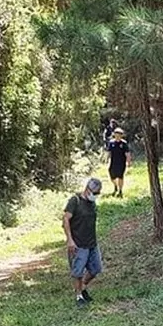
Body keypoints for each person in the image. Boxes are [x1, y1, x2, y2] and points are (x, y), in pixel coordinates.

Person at [63, 178, 103, 307]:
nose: (95, 196)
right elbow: (66, 219)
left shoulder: (92, 203)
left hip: (92, 242)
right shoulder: (75, 201)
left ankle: (83, 287)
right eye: (94, 193)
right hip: (78, 243)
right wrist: (70, 239)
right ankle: (79, 295)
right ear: (87, 189)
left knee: (96, 268)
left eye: (98, 194)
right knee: (78, 271)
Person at [105, 128, 132, 197]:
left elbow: (127, 153)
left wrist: (128, 162)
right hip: (113, 162)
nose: (118, 136)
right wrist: (106, 159)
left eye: (119, 134)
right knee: (112, 176)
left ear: (121, 135)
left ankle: (120, 191)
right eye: (116, 134)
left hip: (121, 163)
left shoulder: (124, 143)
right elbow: (108, 152)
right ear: (114, 134)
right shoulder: (111, 143)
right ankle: (115, 186)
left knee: (120, 177)